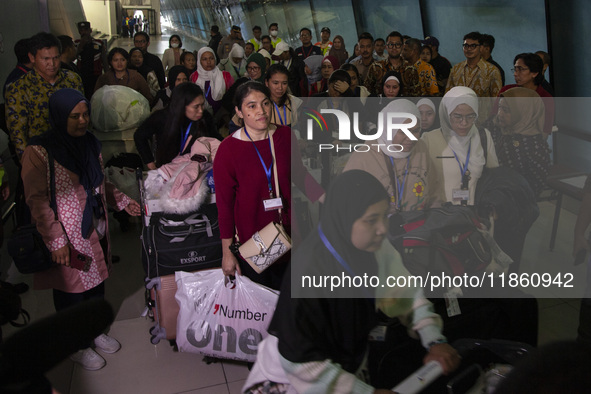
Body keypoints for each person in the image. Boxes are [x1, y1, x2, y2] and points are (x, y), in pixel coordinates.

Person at [242, 170, 459, 393]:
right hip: (296, 378)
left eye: (385, 216)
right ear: (344, 218)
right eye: (371, 220)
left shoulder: (375, 248)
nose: (383, 228)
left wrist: (433, 338)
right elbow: (301, 362)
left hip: (345, 366)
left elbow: (405, 295)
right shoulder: (309, 270)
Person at [21, 88, 141, 371]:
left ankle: (93, 330)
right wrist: (56, 240)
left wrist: (122, 201)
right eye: (74, 116)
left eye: (86, 114)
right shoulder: (39, 151)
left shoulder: (90, 143)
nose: (83, 120)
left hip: (95, 228)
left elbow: (99, 184)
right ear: (59, 116)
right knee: (72, 292)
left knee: (96, 284)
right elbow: (36, 200)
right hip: (67, 235)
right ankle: (75, 344)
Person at [213, 82, 324, 290]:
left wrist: (327, 198)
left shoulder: (285, 136)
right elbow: (225, 206)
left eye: (265, 103)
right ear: (238, 111)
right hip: (253, 242)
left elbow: (300, 175)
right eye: (251, 106)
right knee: (263, 309)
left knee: (290, 303)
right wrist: (227, 253)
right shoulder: (228, 150)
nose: (261, 111)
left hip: (288, 233)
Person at [345, 100, 438, 213]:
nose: (411, 138)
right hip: (379, 229)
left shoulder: (420, 149)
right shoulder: (364, 157)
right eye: (403, 132)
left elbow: (434, 192)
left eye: (415, 131)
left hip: (417, 227)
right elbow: (345, 203)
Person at [6, 32, 83, 160]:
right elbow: (18, 133)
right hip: (40, 158)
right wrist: (28, 164)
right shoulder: (19, 88)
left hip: (72, 153)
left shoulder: (72, 80)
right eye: (45, 59)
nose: (52, 64)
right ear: (32, 57)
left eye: (56, 58)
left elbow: (83, 117)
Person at [421, 86, 499, 206]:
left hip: (475, 215)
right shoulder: (429, 140)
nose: (464, 123)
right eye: (457, 116)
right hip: (441, 215)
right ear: (447, 114)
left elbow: (494, 178)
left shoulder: (483, 137)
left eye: (470, 116)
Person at [138, 82, 221, 170]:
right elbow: (139, 136)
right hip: (166, 167)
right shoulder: (162, 118)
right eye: (196, 107)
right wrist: (150, 163)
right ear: (182, 105)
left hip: (195, 169)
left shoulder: (205, 117)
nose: (200, 110)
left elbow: (215, 137)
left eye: (202, 105)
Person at [491, 87, 550, 197]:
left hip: (515, 203)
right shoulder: (497, 129)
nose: (500, 114)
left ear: (525, 113)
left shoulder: (536, 146)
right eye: (499, 108)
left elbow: (534, 187)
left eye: (506, 110)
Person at [496, 53, 554, 137]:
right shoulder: (506, 91)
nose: (515, 74)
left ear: (534, 73)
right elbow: (494, 117)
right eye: (515, 69)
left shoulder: (545, 97)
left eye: (521, 69)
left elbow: (545, 130)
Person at [445, 32, 502, 98]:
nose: (469, 49)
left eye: (473, 46)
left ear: (480, 48)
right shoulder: (456, 69)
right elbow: (448, 96)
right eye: (466, 46)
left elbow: (497, 100)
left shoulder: (492, 71)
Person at [190, 47, 234, 115]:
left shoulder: (225, 76)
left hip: (222, 117)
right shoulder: (194, 77)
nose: (208, 62)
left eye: (211, 58)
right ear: (199, 61)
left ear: (215, 59)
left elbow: (232, 97)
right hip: (201, 116)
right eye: (204, 59)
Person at [365, 31, 406, 96]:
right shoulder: (376, 67)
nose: (394, 47)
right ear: (386, 47)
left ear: (403, 46)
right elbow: (367, 91)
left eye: (397, 44)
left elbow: (415, 94)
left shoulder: (410, 68)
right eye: (391, 44)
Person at [75, 21, 107, 100]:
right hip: (81, 76)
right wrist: (81, 46)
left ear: (90, 30)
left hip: (95, 76)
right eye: (81, 30)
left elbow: (105, 61)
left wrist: (107, 76)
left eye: (86, 30)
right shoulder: (76, 44)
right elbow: (72, 57)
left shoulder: (99, 44)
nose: (84, 32)